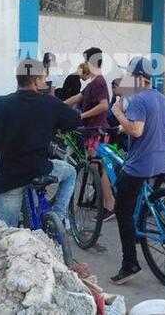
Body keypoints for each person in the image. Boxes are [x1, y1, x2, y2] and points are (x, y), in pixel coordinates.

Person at [0, 58, 80, 227]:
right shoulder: (50, 104)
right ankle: (58, 217)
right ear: (37, 81)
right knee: (71, 173)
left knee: (5, 235)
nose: (45, 82)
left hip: (9, 178)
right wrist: (58, 126)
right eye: (44, 78)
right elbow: (74, 120)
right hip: (40, 169)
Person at [109, 57, 165, 284]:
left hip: (140, 164)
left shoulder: (138, 99)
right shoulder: (160, 98)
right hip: (161, 161)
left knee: (121, 210)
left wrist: (118, 113)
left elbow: (136, 130)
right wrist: (123, 127)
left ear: (140, 79)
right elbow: (149, 127)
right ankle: (139, 231)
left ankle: (130, 264)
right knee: (139, 202)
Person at [65, 47, 115, 220]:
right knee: (99, 169)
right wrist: (59, 105)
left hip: (97, 131)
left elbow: (103, 105)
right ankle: (106, 202)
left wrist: (82, 115)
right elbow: (78, 97)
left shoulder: (99, 82)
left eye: (85, 60)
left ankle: (109, 205)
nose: (84, 64)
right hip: (92, 132)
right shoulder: (93, 83)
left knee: (100, 170)